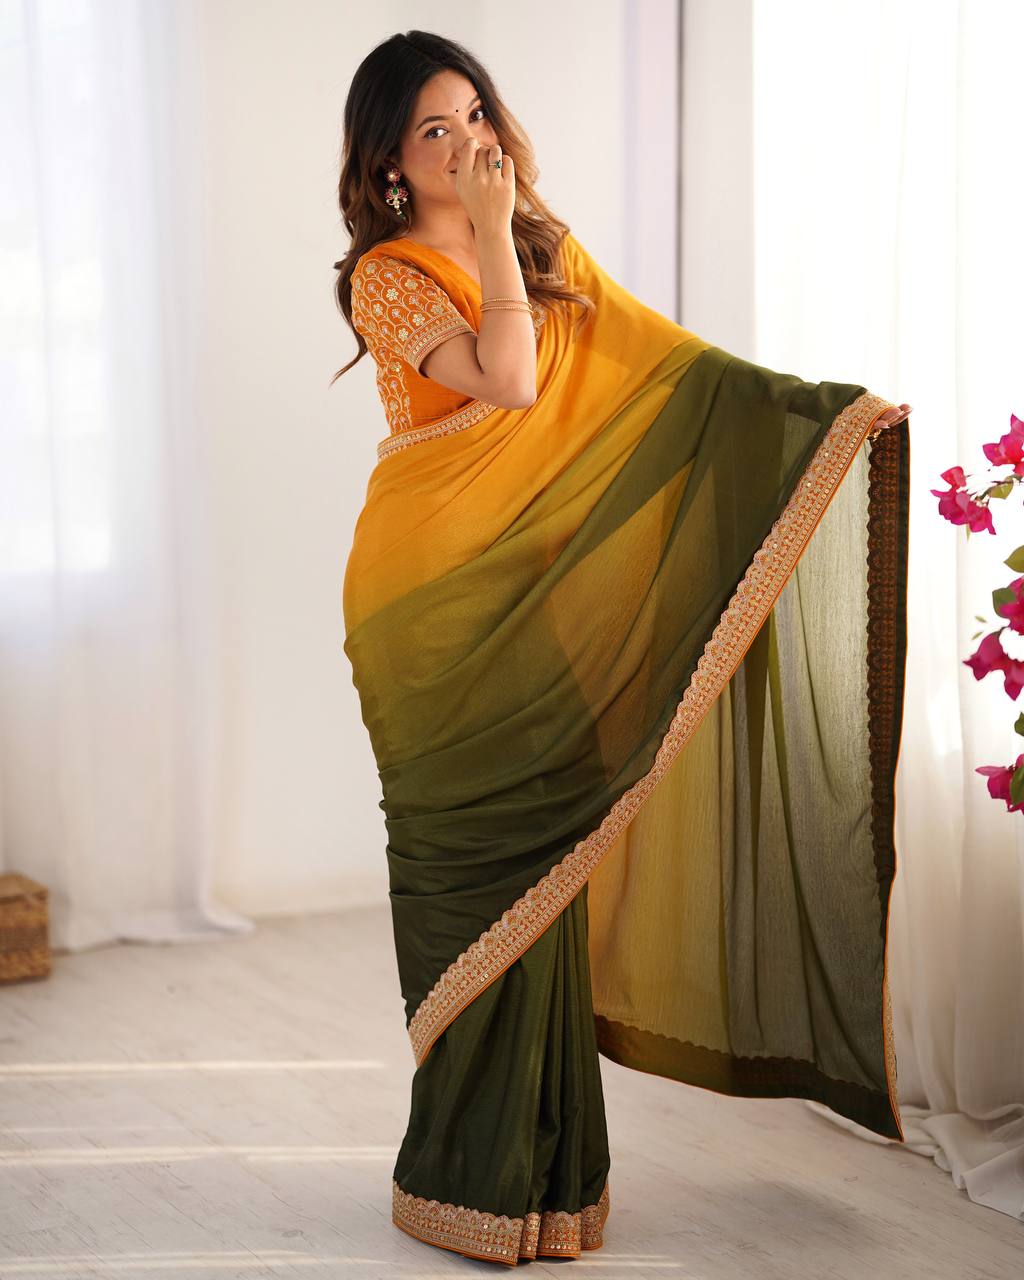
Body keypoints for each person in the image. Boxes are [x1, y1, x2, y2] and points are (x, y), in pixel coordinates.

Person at [332, 29, 912, 1268]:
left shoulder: (543, 245)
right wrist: (495, 232)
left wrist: (818, 416)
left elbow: (670, 375)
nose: (464, 142)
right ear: (388, 162)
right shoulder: (387, 275)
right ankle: (461, 1171)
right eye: (432, 130)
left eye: (473, 113)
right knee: (466, 874)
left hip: (536, 596)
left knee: (548, 861)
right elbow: (509, 382)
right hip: (429, 611)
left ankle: (544, 1184)